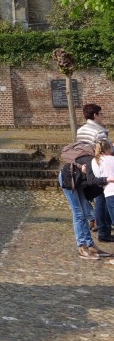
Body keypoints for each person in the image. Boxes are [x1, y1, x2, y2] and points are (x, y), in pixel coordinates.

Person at [59, 138, 114, 259]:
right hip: (69, 179)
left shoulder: (101, 159)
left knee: (84, 212)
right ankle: (82, 247)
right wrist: (107, 179)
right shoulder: (92, 161)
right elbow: (92, 180)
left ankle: (91, 246)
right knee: (79, 213)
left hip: (79, 180)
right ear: (107, 151)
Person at [76, 103, 113, 241]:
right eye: (101, 113)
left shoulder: (80, 130)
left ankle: (101, 227)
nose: (103, 116)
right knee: (103, 198)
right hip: (99, 165)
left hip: (87, 165)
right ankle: (104, 231)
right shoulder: (99, 132)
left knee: (98, 198)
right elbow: (105, 149)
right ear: (95, 115)